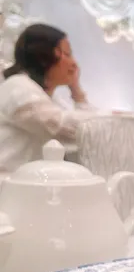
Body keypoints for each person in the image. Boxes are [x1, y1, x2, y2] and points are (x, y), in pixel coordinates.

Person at [0, 23, 96, 174]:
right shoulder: (18, 87)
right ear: (44, 57)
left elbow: (88, 137)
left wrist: (76, 91)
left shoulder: (49, 99)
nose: (74, 64)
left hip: (30, 183)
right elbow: (66, 128)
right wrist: (112, 120)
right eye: (67, 54)